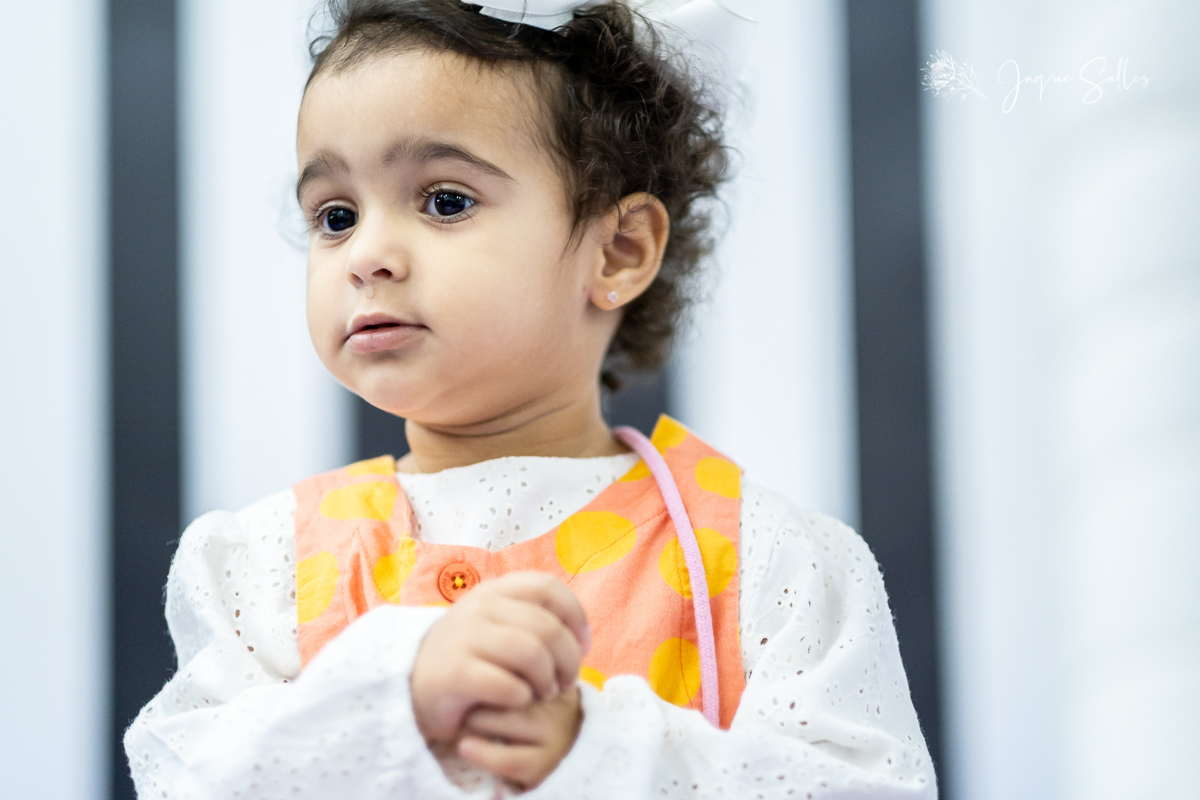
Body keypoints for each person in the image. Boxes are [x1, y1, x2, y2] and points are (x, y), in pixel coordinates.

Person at [124, 1, 937, 797]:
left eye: (445, 200)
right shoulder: (269, 566)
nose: (366, 254)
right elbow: (188, 779)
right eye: (336, 216)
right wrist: (393, 698)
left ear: (619, 251)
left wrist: (600, 750)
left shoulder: (760, 560)